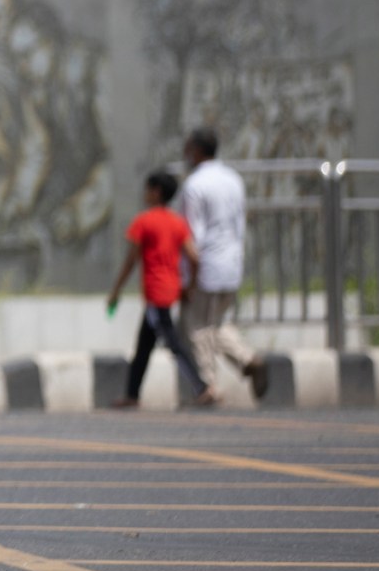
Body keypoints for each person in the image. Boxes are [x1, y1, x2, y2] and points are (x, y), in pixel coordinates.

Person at [108, 170, 213, 409]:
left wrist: (115, 291)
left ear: (156, 192)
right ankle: (131, 395)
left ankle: (202, 388)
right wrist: (189, 286)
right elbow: (194, 258)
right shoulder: (177, 222)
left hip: (156, 294)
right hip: (171, 290)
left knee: (173, 343)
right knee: (144, 346)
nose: (145, 194)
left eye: (147, 189)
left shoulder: (144, 221)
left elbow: (130, 261)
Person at [174, 129, 265, 400]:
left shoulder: (194, 185)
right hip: (231, 262)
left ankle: (208, 385)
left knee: (195, 327)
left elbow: (193, 235)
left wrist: (188, 277)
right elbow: (239, 224)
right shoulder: (233, 179)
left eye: (188, 148)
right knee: (216, 323)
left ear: (197, 151)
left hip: (206, 265)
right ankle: (247, 359)